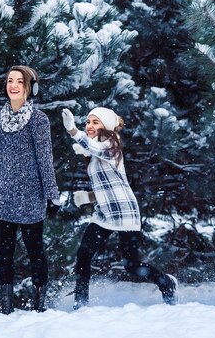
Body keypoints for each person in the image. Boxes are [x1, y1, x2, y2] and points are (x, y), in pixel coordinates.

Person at [61, 107, 178, 309]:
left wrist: (73, 130)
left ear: (105, 126)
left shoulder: (112, 143)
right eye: (88, 122)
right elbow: (107, 187)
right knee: (84, 254)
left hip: (125, 212)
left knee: (132, 266)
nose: (89, 126)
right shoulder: (95, 152)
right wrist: (87, 197)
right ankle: (80, 303)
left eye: (95, 122)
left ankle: (166, 283)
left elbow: (94, 147)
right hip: (105, 213)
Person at [0, 65, 59, 313]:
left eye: (19, 81)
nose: (13, 85)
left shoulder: (38, 120)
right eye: (9, 81)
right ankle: (6, 310)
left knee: (35, 252)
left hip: (31, 198)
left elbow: (45, 160)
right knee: (4, 255)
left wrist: (51, 195)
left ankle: (39, 307)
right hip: (3, 198)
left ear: (30, 88)